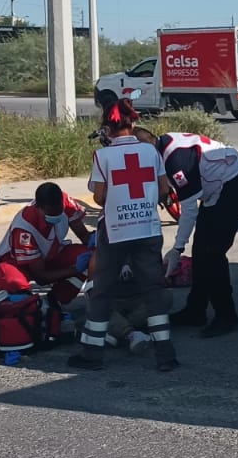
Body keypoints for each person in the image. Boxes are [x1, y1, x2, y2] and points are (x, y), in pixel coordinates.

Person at [68, 98, 178, 372]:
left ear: (107, 127)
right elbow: (164, 188)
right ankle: (165, 355)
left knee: (102, 291)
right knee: (154, 290)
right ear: (132, 123)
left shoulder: (103, 156)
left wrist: (119, 199)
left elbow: (99, 197)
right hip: (148, 228)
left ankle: (93, 355)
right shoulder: (151, 152)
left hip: (115, 231)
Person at [151, 131, 238, 338]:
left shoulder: (175, 161)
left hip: (234, 187)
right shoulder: (163, 142)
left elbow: (189, 211)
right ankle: (196, 310)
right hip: (218, 190)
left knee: (212, 253)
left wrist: (177, 248)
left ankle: (227, 316)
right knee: (200, 250)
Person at [0, 181, 93, 307]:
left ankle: (56, 301)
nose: (56, 217)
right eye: (50, 214)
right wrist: (74, 270)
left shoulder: (65, 201)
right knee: (12, 282)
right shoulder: (24, 229)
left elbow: (83, 235)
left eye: (59, 212)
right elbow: (40, 277)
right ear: (38, 207)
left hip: (50, 254)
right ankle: (30, 307)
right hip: (18, 263)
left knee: (90, 257)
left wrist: (97, 245)